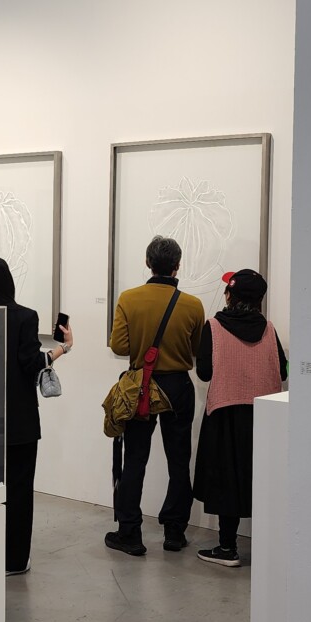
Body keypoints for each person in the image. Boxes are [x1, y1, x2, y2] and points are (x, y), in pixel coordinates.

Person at [0, 257, 72, 575]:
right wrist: (63, 348)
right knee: (19, 489)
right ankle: (14, 560)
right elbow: (31, 364)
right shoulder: (25, 317)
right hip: (20, 418)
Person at [107, 235, 205, 556]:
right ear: (178, 266)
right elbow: (195, 350)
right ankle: (174, 532)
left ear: (148, 263)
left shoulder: (129, 298)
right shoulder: (193, 305)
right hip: (178, 387)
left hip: (142, 388)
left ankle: (130, 532)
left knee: (135, 458)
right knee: (179, 460)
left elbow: (120, 346)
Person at [193, 269, 287, 566]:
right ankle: (269, 549)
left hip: (224, 411)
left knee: (226, 479)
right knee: (260, 477)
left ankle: (227, 547)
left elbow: (204, 372)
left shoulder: (213, 327)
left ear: (230, 296)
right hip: (263, 416)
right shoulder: (269, 329)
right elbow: (283, 370)